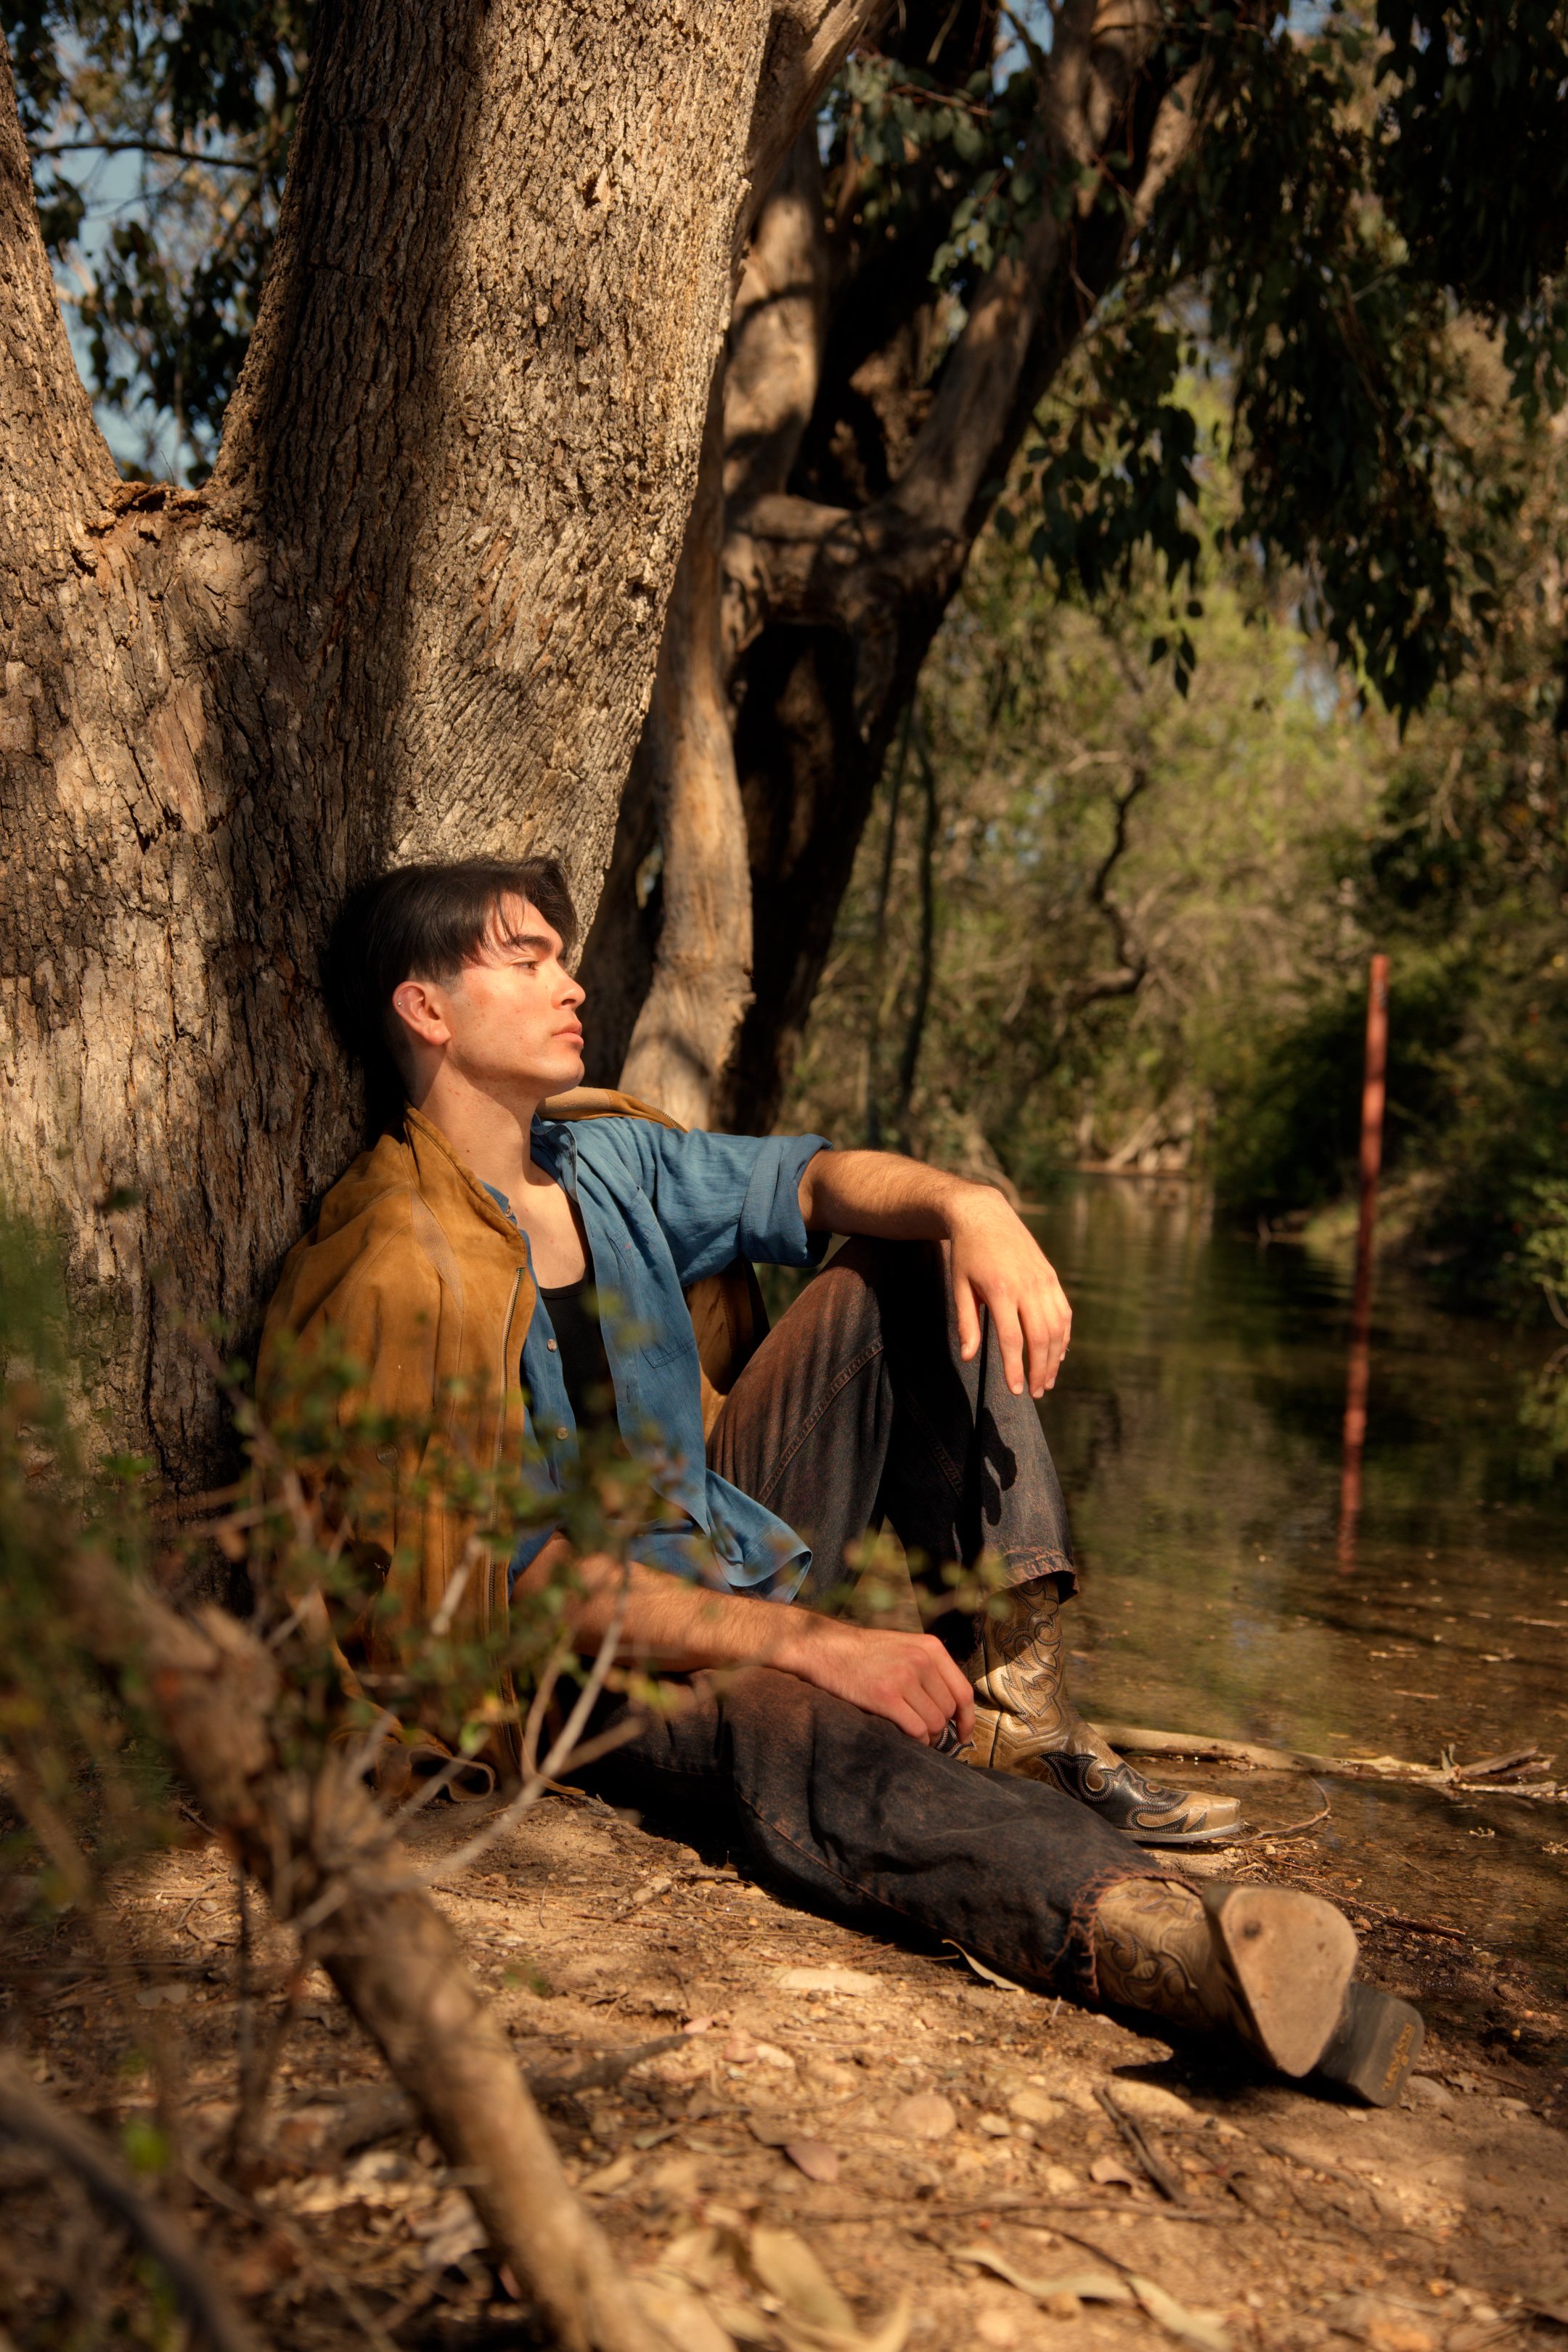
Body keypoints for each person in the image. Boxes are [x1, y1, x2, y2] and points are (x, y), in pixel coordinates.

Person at [260, 857, 1422, 2107]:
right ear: (426, 1011)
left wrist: (973, 1207)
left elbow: (812, 1182)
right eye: (527, 958)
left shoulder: (603, 1164)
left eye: (563, 953)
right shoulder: (399, 1262)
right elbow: (517, 1587)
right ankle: (1159, 1943)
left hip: (716, 1550)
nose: (573, 981)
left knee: (905, 1263)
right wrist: (814, 1643)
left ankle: (1019, 1701)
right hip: (566, 1672)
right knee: (792, 1726)